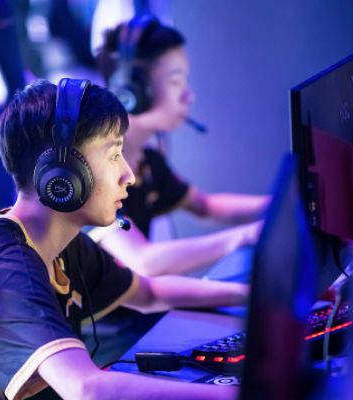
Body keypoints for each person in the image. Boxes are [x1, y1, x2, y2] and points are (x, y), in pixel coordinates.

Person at [0, 78, 246, 399]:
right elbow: (84, 388)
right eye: (113, 154)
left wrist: (255, 296)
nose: (129, 175)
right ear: (62, 174)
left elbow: (149, 293)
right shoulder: (6, 263)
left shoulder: (64, 247)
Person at [93, 16, 270, 277]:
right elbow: (143, 261)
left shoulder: (147, 161)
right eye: (176, 82)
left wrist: (281, 203)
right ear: (131, 93)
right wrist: (246, 236)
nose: (189, 96)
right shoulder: (95, 171)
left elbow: (207, 206)